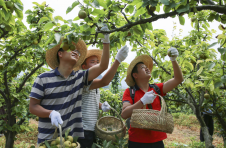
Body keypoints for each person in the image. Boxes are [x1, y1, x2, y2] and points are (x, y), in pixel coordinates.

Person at [29, 25, 111, 144]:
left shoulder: (79, 78)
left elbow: (103, 66)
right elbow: (33, 107)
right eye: (70, 48)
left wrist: (106, 40)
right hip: (47, 140)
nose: (76, 51)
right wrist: (50, 113)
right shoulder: (43, 79)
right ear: (60, 54)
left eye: (77, 51)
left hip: (70, 140)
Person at [121, 47, 184, 148]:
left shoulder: (157, 88)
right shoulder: (130, 92)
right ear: (135, 75)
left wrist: (174, 60)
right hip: (137, 141)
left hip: (157, 141)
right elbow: (124, 114)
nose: (147, 68)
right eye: (142, 67)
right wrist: (142, 101)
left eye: (146, 67)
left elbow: (178, 79)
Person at [77, 45, 129, 148]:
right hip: (83, 129)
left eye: (97, 62)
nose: (96, 64)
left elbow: (87, 100)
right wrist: (117, 61)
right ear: (84, 67)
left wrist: (101, 106)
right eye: (92, 62)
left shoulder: (94, 83)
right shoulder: (83, 79)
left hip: (90, 128)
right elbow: (105, 81)